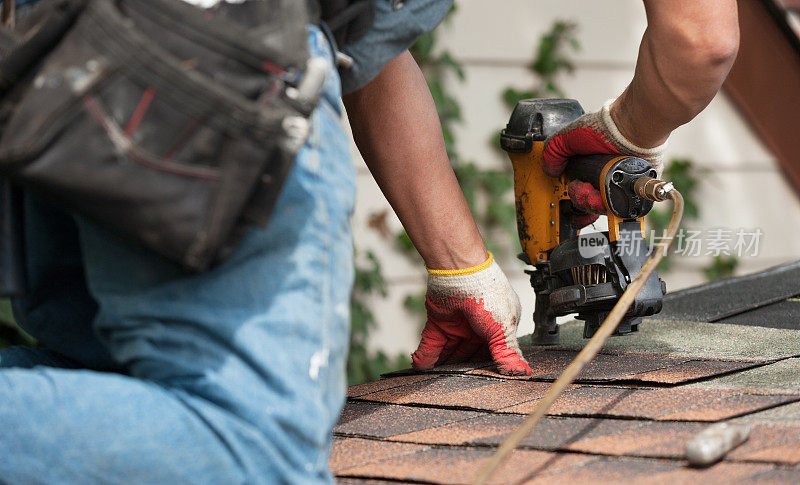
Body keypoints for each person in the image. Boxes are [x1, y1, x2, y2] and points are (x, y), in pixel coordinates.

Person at [0, 0, 739, 483]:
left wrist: (463, 265)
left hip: (55, 56)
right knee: (258, 454)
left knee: (107, 387)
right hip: (216, 51)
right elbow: (699, 44)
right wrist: (615, 139)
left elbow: (364, 36)